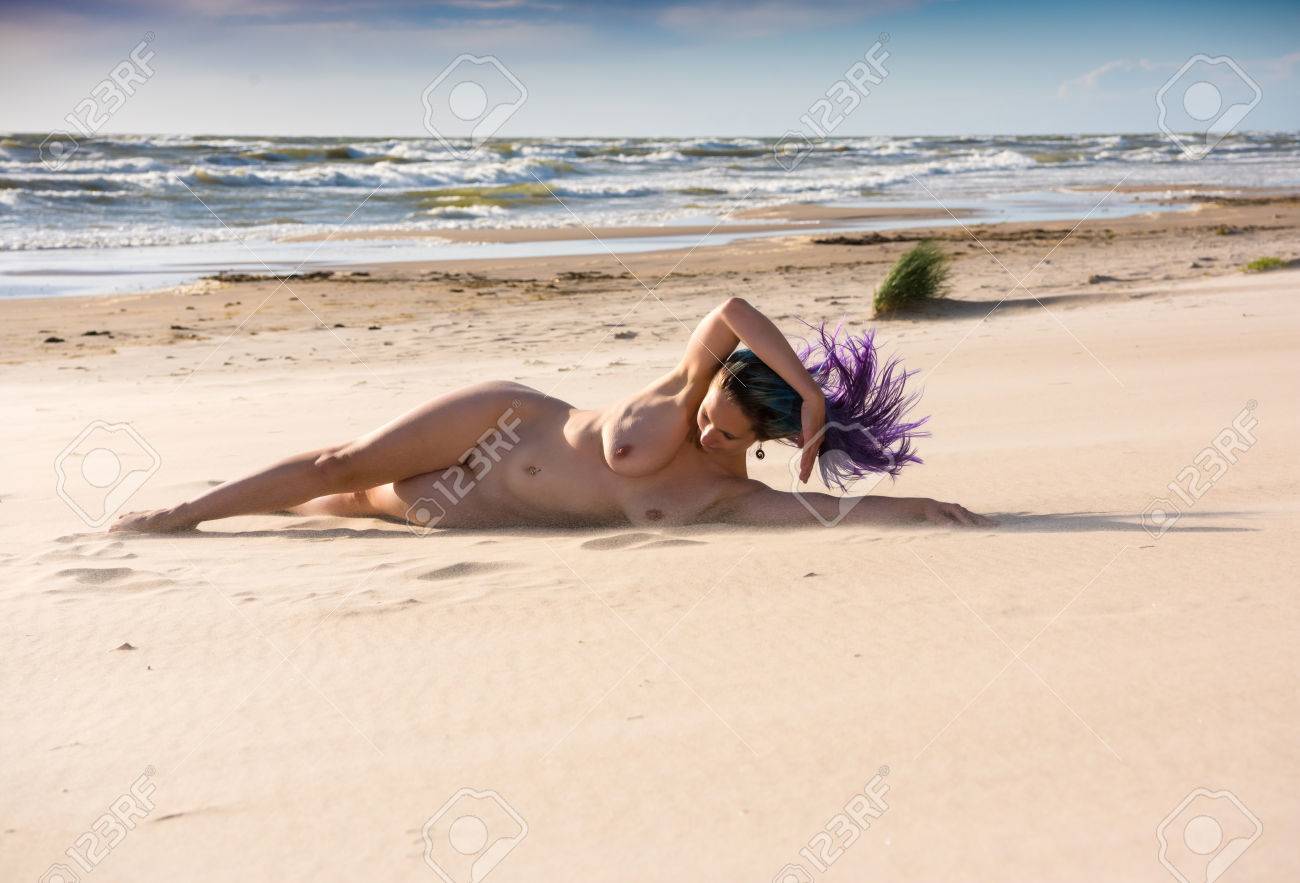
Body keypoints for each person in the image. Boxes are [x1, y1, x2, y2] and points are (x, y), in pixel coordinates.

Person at [111, 297, 989, 533]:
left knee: (341, 505)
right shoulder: (686, 386)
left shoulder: (726, 496)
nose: (710, 428)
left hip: (463, 510)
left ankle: (238, 509)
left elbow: (828, 513)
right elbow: (731, 307)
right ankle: (182, 513)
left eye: (733, 431)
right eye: (721, 402)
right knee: (345, 461)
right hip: (501, 422)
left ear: (765, 443)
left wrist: (914, 507)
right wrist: (807, 390)